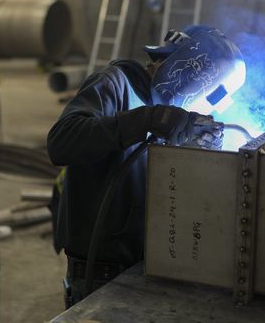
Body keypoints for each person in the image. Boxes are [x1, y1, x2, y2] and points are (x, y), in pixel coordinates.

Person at [47, 25, 246, 307]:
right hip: (99, 276)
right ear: (187, 67)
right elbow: (61, 141)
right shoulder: (114, 84)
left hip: (145, 270)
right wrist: (151, 119)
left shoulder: (170, 114)